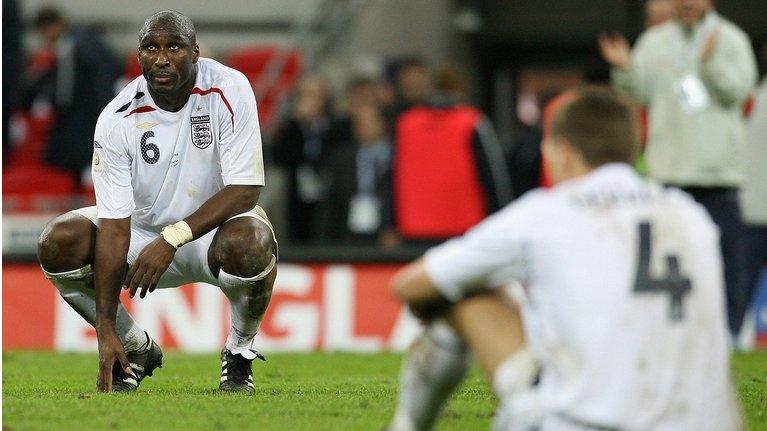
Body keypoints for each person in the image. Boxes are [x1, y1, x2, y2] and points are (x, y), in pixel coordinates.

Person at [389, 87, 741, 430]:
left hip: (583, 421)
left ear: (565, 152)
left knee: (461, 291)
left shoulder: (548, 213)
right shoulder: (690, 214)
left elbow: (410, 285)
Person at [36, 10, 277, 394]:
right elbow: (114, 225)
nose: (161, 58)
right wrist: (106, 331)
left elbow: (246, 189)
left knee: (251, 243)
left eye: (174, 47)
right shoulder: (117, 117)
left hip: (212, 233)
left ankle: (239, 351)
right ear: (139, 55)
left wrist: (172, 238)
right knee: (58, 240)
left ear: (195, 53)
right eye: (151, 48)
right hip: (141, 235)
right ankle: (135, 348)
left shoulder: (230, 87)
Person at [598, 0, 758, 336]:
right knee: (665, 262)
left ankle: (725, 336)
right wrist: (625, 68)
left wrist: (710, 63)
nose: (685, 3)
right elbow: (637, 93)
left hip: (718, 176)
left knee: (724, 263)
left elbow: (739, 93)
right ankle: (666, 335)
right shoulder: (655, 42)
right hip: (669, 175)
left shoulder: (731, 39)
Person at [21, 6, 122, 187]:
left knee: (82, 166)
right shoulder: (80, 42)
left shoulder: (76, 45)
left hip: (85, 120)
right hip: (85, 119)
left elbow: (67, 94)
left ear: (53, 26)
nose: (46, 40)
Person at [272, 75, 343, 243]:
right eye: (305, 95)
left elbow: (336, 155)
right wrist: (297, 124)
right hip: (298, 193)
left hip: (329, 188)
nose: (310, 101)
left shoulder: (336, 125)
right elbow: (279, 156)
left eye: (314, 95)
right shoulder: (291, 128)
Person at [319, 103, 393, 245]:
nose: (361, 126)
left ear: (382, 124)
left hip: (385, 233)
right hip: (348, 233)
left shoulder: (397, 156)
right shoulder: (341, 158)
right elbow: (330, 202)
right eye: (358, 122)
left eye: (368, 121)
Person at [738, 78, 767, 336]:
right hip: (753, 208)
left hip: (751, 207)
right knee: (741, 285)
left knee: (741, 285)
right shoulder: (748, 99)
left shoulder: (749, 99)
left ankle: (734, 337)